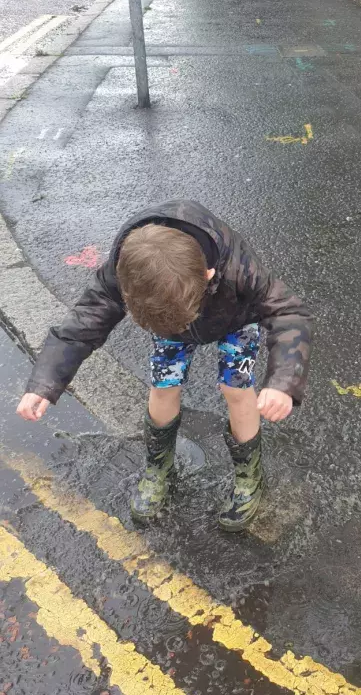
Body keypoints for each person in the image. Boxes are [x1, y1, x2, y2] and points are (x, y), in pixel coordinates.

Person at [17, 201, 312, 530]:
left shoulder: (237, 266)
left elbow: (288, 313)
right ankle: (160, 466)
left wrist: (282, 382)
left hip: (234, 319)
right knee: (163, 385)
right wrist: (45, 382)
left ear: (208, 275)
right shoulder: (127, 265)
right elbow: (84, 322)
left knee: (236, 388)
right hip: (167, 320)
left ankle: (249, 477)